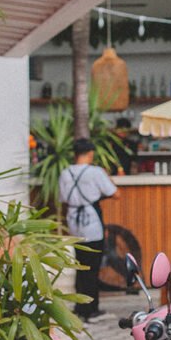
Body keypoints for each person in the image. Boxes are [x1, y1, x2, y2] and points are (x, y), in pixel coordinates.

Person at [59, 138, 119, 322]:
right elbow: (115, 193)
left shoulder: (65, 172)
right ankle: (91, 309)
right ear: (90, 153)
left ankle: (80, 306)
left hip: (74, 223)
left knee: (80, 265)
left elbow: (63, 198)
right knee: (92, 267)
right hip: (91, 222)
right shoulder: (95, 172)